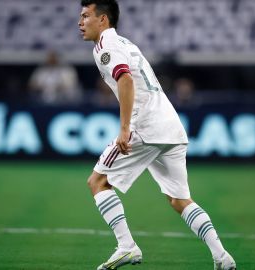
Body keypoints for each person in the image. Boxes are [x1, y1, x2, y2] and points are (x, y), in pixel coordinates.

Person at [78, 1, 236, 269]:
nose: (80, 22)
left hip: (146, 126)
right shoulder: (126, 43)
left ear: (103, 19)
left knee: (98, 181)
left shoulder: (107, 46)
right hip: (170, 126)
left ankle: (127, 246)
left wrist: (125, 129)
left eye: (85, 16)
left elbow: (125, 80)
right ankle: (222, 256)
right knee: (179, 199)